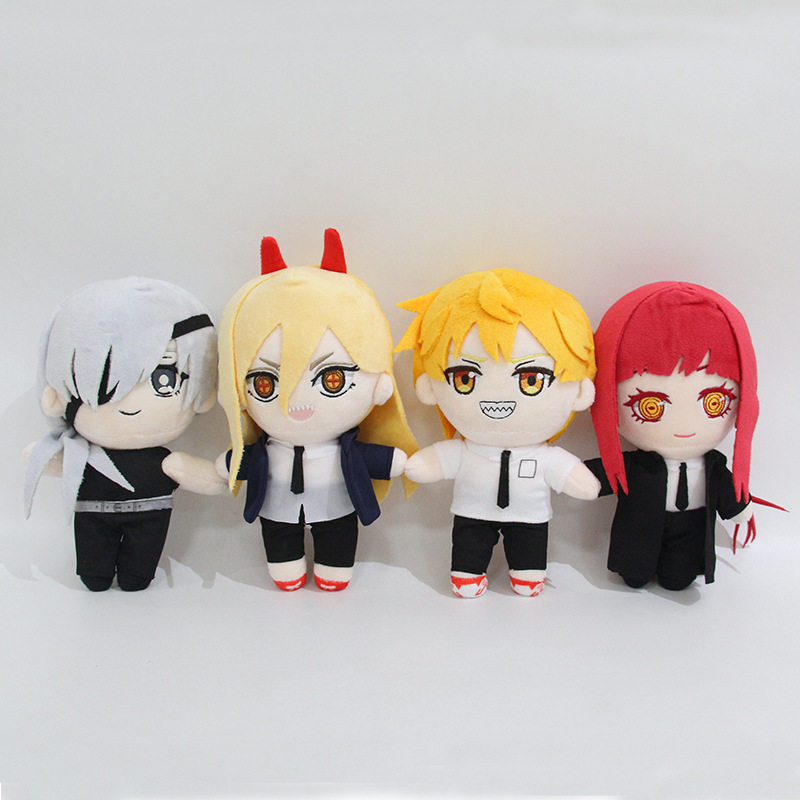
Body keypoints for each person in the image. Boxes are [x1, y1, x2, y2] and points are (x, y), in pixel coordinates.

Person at [216, 229, 417, 592]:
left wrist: (401, 463)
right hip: (276, 511)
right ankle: (286, 567)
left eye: (333, 379)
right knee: (277, 538)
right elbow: (237, 463)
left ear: (379, 383)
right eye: (266, 384)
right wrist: (222, 466)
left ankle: (333, 568)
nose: (298, 401)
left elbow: (381, 460)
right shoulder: (266, 451)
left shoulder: (343, 450)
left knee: (339, 536)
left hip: (336, 508)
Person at [397, 268, 599, 598]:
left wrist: (581, 481)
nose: (499, 401)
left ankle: (528, 574)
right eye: (464, 378)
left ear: (579, 391)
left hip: (530, 517)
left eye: (531, 380)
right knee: (468, 547)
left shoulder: (543, 456)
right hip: (472, 514)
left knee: (529, 550)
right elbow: (431, 463)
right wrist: (421, 465)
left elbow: (576, 479)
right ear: (429, 386)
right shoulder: (465, 450)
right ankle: (467, 574)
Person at [25, 276, 221, 591]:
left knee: (138, 571)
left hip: (149, 518)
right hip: (92, 515)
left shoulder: (163, 460)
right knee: (93, 567)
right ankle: (96, 573)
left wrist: (218, 476)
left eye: (164, 379)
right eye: (104, 383)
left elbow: (203, 477)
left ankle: (136, 575)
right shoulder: (83, 454)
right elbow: (59, 465)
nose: (129, 401)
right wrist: (41, 456)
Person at [586, 281, 757, 590]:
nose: (684, 426)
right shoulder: (636, 466)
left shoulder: (713, 466)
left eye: (714, 402)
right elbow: (599, 476)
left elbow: (727, 492)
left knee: (679, 578)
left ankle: (677, 570)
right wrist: (567, 475)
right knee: (634, 573)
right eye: (650, 406)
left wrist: (740, 509)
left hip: (691, 529)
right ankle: (636, 569)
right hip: (639, 529)